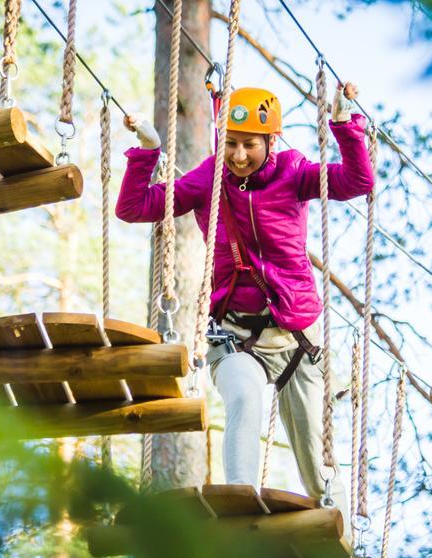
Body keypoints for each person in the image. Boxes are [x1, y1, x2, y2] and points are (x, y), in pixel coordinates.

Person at [115, 84, 374, 527]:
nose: (238, 156)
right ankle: (239, 508)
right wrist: (148, 152)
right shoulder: (209, 178)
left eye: (249, 145)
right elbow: (135, 207)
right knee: (244, 401)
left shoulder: (294, 172)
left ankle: (342, 539)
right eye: (231, 143)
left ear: (271, 142)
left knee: (315, 459)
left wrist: (346, 127)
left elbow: (357, 182)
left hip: (296, 340)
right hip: (236, 335)